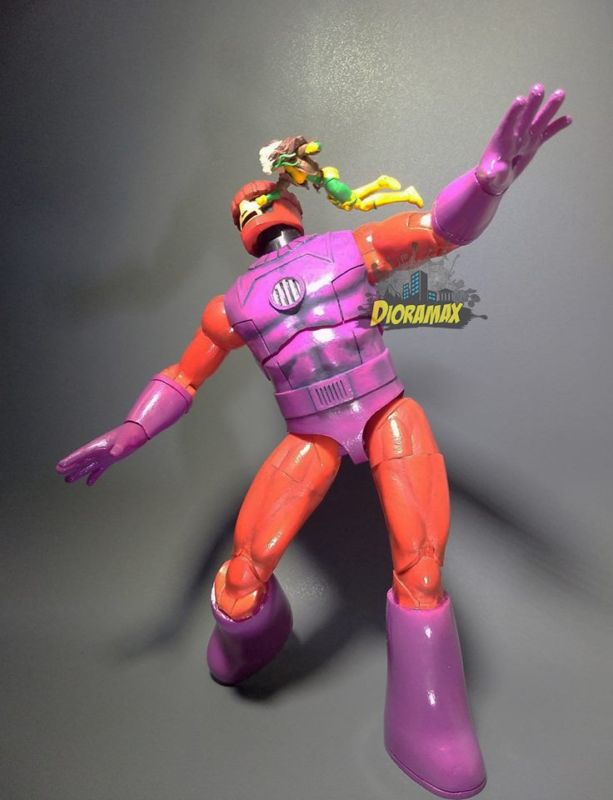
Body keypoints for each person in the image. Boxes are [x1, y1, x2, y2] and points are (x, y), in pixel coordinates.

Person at [57, 85, 571, 799]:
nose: (255, 210)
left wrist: (487, 182)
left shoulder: (349, 249)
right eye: (243, 209)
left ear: (292, 204)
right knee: (241, 582)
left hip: (385, 411)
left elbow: (436, 231)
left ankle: (427, 721)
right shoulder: (232, 307)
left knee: (421, 567)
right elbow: (182, 376)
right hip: (311, 435)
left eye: (261, 200)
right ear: (239, 229)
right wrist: (129, 431)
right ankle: (255, 636)